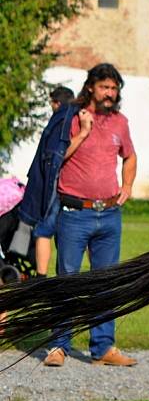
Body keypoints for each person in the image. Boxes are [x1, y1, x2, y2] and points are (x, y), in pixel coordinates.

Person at [43, 64, 138, 368]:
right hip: (74, 214)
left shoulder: (120, 122)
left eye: (114, 88)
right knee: (68, 282)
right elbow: (58, 156)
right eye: (104, 88)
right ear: (91, 88)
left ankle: (103, 347)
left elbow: (130, 156)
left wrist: (127, 185)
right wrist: (83, 132)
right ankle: (58, 346)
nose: (110, 94)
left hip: (109, 214)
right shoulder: (71, 118)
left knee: (105, 283)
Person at [16, 87, 78, 277]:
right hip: (69, 185)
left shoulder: (60, 118)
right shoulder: (73, 116)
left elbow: (53, 157)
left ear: (56, 103)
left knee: (43, 230)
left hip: (55, 185)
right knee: (64, 233)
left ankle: (39, 277)